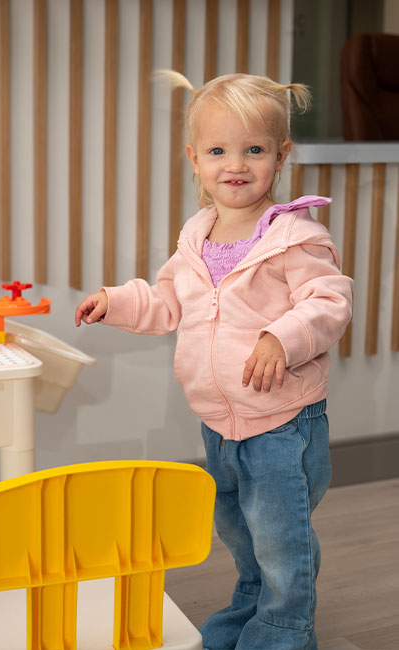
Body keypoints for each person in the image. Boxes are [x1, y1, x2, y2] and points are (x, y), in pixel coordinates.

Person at [74, 72, 353, 650]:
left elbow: (329, 303)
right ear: (193, 159)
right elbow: (169, 300)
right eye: (219, 150)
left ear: (280, 156)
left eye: (254, 150)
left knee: (282, 536)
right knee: (240, 529)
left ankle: (284, 627)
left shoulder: (295, 236)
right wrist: (117, 301)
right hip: (218, 423)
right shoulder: (197, 235)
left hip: (282, 423)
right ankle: (253, 602)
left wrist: (283, 337)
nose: (237, 164)